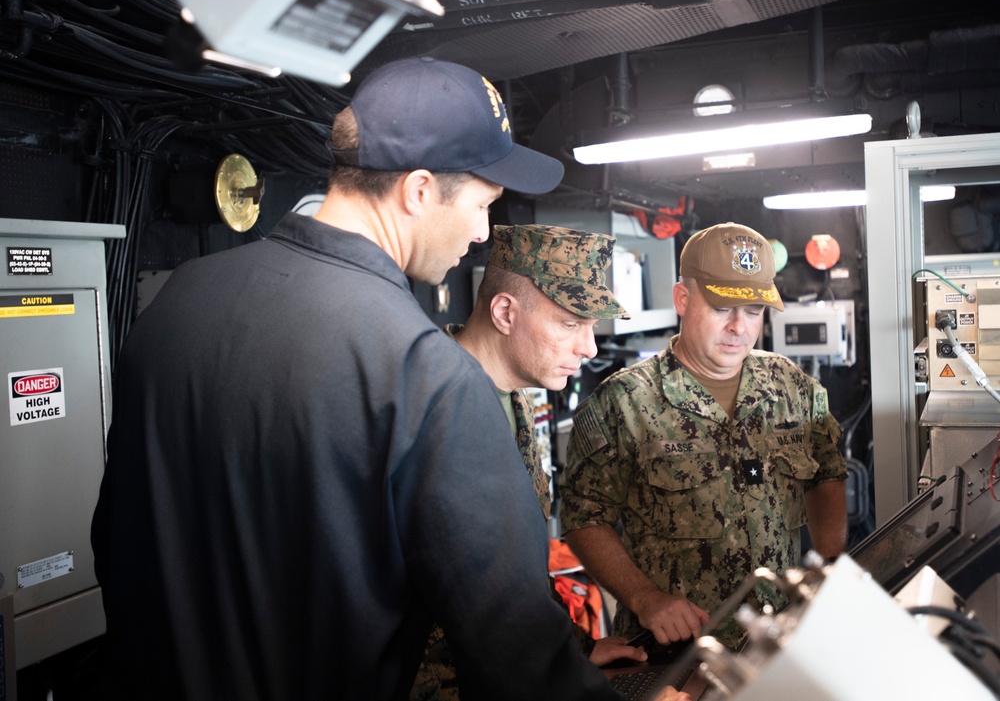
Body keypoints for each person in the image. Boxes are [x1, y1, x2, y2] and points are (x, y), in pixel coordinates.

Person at [90, 55, 689, 701]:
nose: (483, 232)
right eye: (484, 203)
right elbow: (512, 646)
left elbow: (116, 541)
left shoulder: (179, 301)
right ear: (419, 190)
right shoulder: (422, 370)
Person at [558, 222, 848, 650]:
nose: (739, 327)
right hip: (674, 652)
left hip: (779, 641)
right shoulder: (624, 402)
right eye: (721, 308)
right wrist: (645, 598)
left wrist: (827, 566)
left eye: (753, 311)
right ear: (682, 299)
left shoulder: (792, 387)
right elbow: (584, 519)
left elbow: (827, 474)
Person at [411, 223, 652, 700]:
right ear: (504, 312)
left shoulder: (514, 398)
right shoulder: (428, 406)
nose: (590, 347)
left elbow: (515, 575)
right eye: (570, 323)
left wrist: (572, 649)